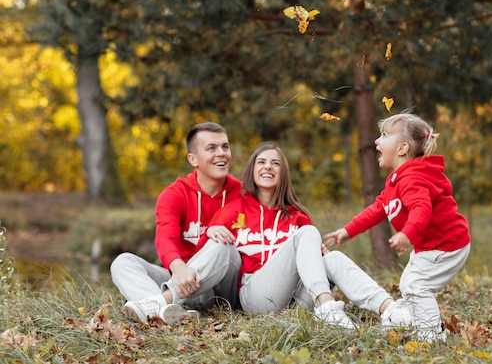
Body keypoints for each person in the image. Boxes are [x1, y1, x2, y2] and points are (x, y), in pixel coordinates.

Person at [201, 142, 411, 329]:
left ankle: (389, 309)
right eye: (261, 162)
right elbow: (207, 257)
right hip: (257, 298)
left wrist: (320, 257)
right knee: (309, 233)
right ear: (252, 170)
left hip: (298, 303)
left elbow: (313, 261)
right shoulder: (234, 209)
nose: (268, 167)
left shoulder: (297, 216)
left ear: (283, 173)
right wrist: (210, 230)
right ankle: (326, 305)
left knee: (333, 258)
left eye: (275, 163)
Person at [324, 113, 471, 342]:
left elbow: (422, 209)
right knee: (408, 283)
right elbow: (376, 210)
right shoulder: (395, 181)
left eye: (384, 135)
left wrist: (406, 234)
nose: (376, 141)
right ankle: (409, 317)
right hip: (431, 246)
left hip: (446, 244)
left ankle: (431, 336)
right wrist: (347, 231)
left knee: (415, 285)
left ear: (402, 148)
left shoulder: (413, 179)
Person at [110, 122, 242, 325]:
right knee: (123, 262)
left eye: (225, 147)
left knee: (221, 243)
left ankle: (158, 304)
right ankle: (168, 311)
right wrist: (179, 267)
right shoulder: (174, 194)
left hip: (223, 286)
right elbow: (165, 237)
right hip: (183, 281)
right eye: (211, 148)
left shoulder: (244, 194)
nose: (221, 153)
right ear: (193, 159)